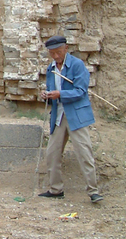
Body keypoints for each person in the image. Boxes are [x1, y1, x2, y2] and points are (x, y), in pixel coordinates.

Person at [39, 35, 103, 203]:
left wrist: (60, 94)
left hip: (76, 115)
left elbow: (81, 91)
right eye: (52, 53)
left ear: (66, 48)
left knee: (84, 153)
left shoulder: (77, 65)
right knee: (52, 153)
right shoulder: (51, 68)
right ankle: (55, 189)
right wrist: (46, 95)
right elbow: (50, 89)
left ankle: (93, 191)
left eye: (58, 52)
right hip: (58, 115)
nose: (55, 56)